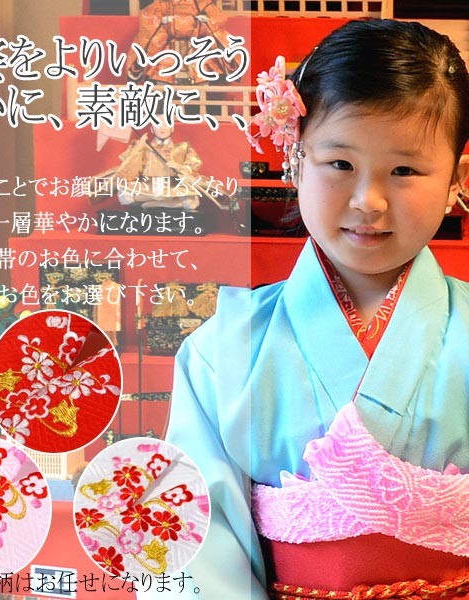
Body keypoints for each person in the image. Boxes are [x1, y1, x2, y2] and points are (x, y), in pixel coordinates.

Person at [154, 19, 469, 599]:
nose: (368, 200)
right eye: (340, 164)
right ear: (296, 160)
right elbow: (194, 546)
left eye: (404, 170)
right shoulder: (222, 351)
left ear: (456, 179)